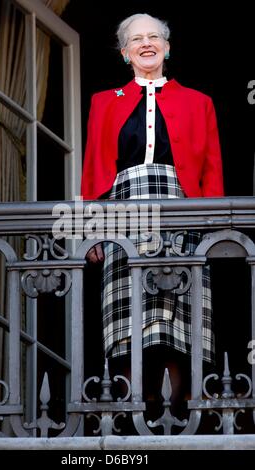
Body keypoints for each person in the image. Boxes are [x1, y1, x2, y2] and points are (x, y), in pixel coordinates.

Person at [81, 13, 224, 415]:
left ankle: (178, 413)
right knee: (131, 322)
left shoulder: (199, 102)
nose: (147, 44)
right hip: (123, 212)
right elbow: (93, 167)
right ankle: (136, 415)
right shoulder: (104, 102)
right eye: (136, 39)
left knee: (179, 324)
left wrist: (216, 227)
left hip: (182, 210)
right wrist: (89, 230)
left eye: (154, 37)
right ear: (125, 52)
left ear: (167, 47)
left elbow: (212, 168)